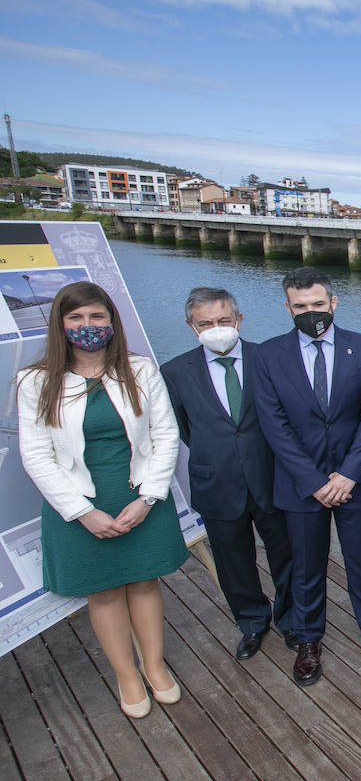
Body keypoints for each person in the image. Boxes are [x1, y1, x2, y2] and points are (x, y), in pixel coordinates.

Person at [18, 281, 187, 717]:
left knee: (145, 582)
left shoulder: (139, 371)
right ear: (60, 324)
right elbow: (36, 455)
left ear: (111, 321)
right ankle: (126, 675)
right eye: (75, 318)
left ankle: (153, 665)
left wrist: (149, 498)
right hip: (79, 506)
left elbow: (165, 436)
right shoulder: (36, 382)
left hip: (138, 496)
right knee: (106, 592)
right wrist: (82, 513)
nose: (87, 326)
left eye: (96, 316)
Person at [254, 267, 361, 686]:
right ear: (287, 307)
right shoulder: (268, 355)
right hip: (301, 485)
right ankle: (308, 640)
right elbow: (274, 425)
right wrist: (315, 481)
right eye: (300, 306)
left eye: (318, 304)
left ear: (333, 303)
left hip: (357, 480)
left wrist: (348, 475)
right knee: (305, 566)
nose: (310, 312)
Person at [161, 287, 294, 660]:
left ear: (238, 320)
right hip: (216, 482)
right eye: (205, 323)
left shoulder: (268, 358)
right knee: (233, 560)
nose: (215, 328)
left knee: (287, 555)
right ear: (192, 327)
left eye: (223, 320)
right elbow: (184, 428)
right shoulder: (174, 371)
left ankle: (292, 619)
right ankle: (252, 622)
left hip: (271, 477)